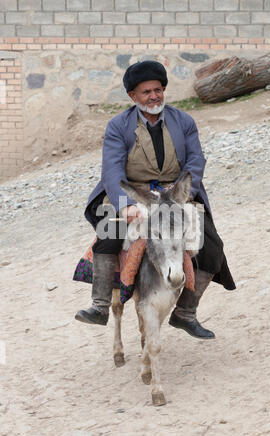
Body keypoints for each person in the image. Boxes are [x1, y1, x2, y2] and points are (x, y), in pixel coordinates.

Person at [75, 60, 235, 338]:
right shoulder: (118, 126)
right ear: (133, 96)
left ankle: (185, 313)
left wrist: (183, 192)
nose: (154, 96)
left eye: (158, 90)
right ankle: (100, 306)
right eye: (146, 92)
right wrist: (125, 206)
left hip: (176, 194)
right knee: (109, 234)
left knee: (212, 246)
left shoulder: (183, 121)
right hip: (132, 192)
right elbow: (111, 170)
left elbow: (196, 160)